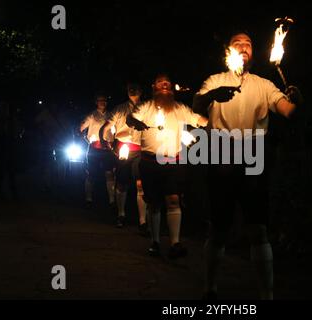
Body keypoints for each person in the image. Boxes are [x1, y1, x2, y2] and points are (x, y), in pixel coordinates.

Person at [193, 31, 303, 299]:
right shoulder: (215, 80)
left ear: (253, 52)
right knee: (218, 228)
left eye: (248, 44)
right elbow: (196, 104)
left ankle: (267, 295)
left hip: (253, 154)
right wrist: (213, 96)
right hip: (220, 153)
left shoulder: (264, 84)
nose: (243, 47)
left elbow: (288, 111)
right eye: (237, 44)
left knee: (258, 228)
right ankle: (210, 289)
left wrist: (296, 100)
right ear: (229, 51)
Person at [126, 73, 208, 259]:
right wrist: (135, 122)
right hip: (149, 163)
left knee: (173, 200)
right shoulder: (145, 107)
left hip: (174, 162)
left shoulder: (180, 108)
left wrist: (214, 124)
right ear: (154, 87)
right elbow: (130, 118)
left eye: (168, 83)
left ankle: (175, 243)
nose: (165, 85)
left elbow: (199, 119)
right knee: (154, 204)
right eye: (160, 82)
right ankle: (155, 242)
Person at [100, 83, 148, 233]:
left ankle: (142, 221)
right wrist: (103, 138)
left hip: (141, 150)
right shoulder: (120, 109)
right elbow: (107, 126)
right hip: (123, 150)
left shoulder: (147, 108)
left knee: (141, 184)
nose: (133, 91)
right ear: (127, 91)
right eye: (130, 89)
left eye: (136, 88)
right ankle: (121, 214)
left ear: (141, 91)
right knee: (121, 183)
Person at [80, 93, 115, 208]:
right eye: (100, 100)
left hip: (107, 149)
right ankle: (88, 199)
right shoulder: (91, 115)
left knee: (109, 173)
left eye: (104, 100)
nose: (102, 102)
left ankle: (112, 200)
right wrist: (84, 138)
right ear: (96, 102)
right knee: (90, 173)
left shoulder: (111, 115)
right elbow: (80, 128)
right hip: (94, 149)